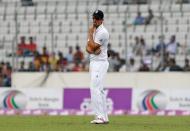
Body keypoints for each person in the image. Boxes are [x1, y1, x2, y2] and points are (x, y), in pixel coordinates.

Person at [86, 10, 109, 124]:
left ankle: (100, 117)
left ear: (101, 20)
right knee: (99, 90)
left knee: (94, 88)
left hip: (100, 63)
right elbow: (88, 48)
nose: (94, 20)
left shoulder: (102, 32)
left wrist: (90, 34)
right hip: (94, 62)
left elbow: (94, 46)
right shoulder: (95, 29)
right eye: (93, 18)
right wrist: (92, 49)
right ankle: (104, 116)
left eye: (97, 18)